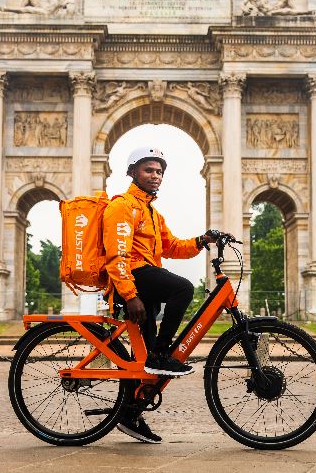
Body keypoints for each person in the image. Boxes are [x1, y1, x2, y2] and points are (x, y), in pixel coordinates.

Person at [103, 146, 218, 444]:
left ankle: (130, 413)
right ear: (132, 173)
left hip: (145, 278)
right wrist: (129, 295)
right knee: (182, 288)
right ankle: (162, 355)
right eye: (148, 170)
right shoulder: (122, 207)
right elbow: (116, 255)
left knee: (144, 364)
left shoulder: (152, 213)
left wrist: (201, 240)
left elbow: (172, 246)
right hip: (134, 276)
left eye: (159, 171)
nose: (156, 176)